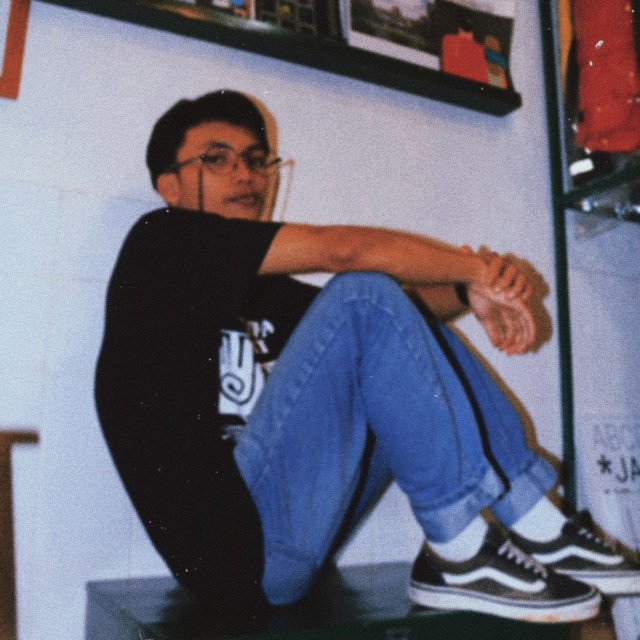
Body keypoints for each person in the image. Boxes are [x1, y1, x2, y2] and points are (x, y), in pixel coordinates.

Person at [95, 90, 640, 623]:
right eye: (217, 159)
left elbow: (394, 322)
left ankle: (529, 524)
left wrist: (463, 292)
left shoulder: (267, 293)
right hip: (235, 556)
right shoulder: (156, 245)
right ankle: (466, 542)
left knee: (394, 323)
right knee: (362, 293)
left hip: (292, 546)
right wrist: (473, 269)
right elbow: (346, 252)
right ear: (169, 185)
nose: (246, 175)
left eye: (256, 160)